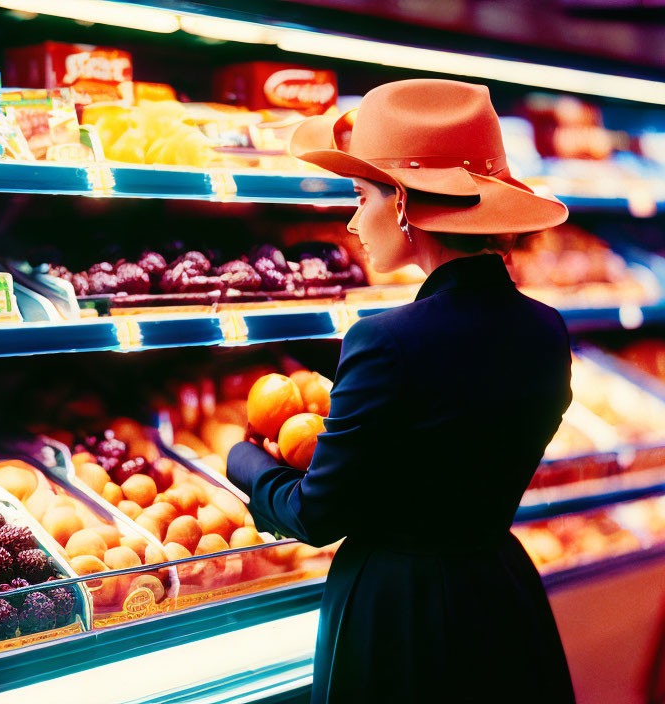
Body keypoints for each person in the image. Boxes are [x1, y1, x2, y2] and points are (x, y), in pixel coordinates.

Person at [226, 79, 575, 703]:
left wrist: (244, 462)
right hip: (500, 592)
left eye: (361, 196)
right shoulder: (546, 328)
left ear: (407, 204)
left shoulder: (384, 341)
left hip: (398, 614)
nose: (354, 220)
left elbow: (315, 513)